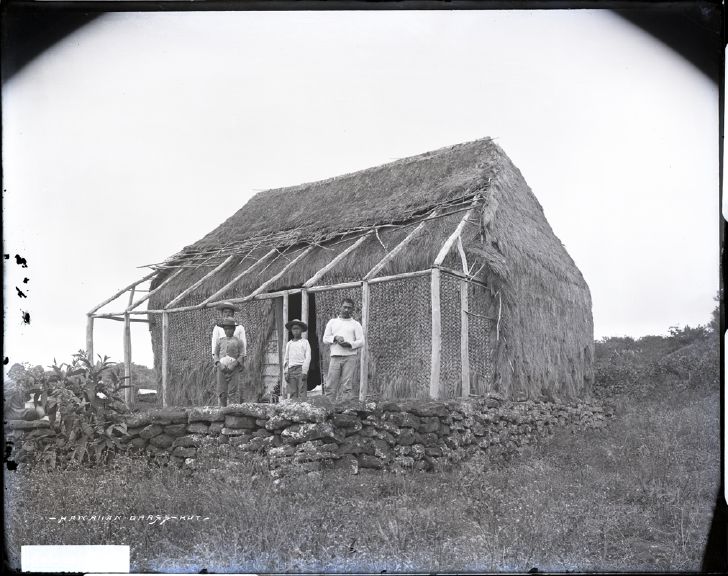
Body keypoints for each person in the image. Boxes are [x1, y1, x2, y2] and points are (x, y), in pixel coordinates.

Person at [322, 297, 364, 402]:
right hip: (335, 356)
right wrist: (335, 338)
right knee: (331, 384)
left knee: (347, 385)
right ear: (340, 307)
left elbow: (361, 341)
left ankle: (346, 409)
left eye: (349, 308)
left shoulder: (356, 324)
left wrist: (349, 344)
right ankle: (329, 408)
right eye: (344, 307)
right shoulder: (332, 322)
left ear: (353, 309)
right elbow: (325, 339)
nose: (346, 310)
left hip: (350, 357)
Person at [213, 317, 246, 407]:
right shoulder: (219, 341)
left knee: (233, 391)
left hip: (233, 370)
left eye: (230, 329)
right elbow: (215, 354)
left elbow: (242, 354)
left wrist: (234, 364)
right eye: (226, 329)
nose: (228, 331)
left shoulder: (239, 341)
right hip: (222, 369)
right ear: (223, 329)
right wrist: (219, 364)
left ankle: (233, 413)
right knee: (222, 392)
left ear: (234, 329)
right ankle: (221, 413)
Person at [283, 319, 311, 401]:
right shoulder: (289, 344)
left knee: (302, 392)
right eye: (294, 329)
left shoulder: (305, 342)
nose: (296, 331)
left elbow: (308, 357)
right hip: (291, 370)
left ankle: (303, 410)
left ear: (301, 330)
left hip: (301, 369)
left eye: (297, 329)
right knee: (292, 392)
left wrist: (305, 371)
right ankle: (293, 410)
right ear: (291, 330)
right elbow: (286, 358)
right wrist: (286, 372)